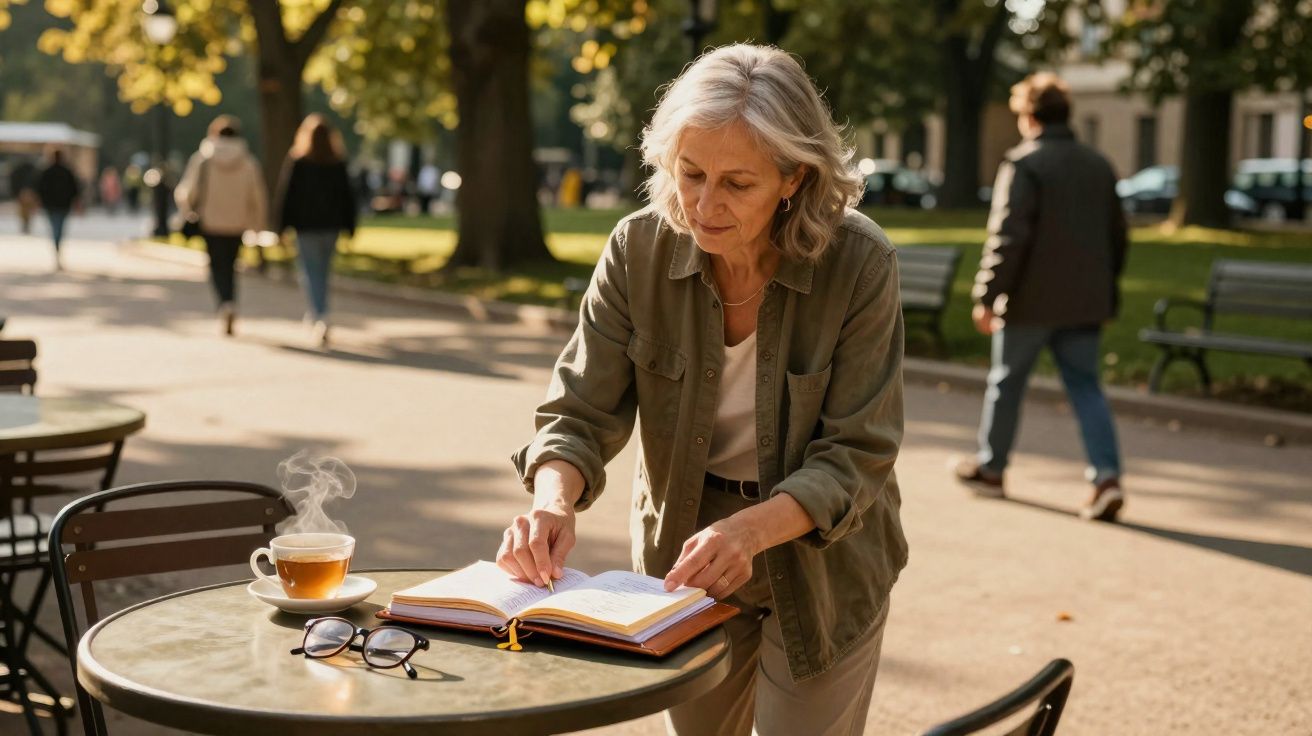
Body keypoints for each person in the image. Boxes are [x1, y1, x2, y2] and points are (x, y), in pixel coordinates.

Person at [498, 45, 906, 736]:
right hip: (685, 554)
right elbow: (578, 411)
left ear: (794, 178)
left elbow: (857, 453)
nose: (704, 206)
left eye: (737, 184)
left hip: (825, 563)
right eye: (690, 174)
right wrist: (552, 502)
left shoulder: (860, 263)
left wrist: (749, 531)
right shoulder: (638, 250)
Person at [953, 72, 1129, 522]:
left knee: (1006, 384)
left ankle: (992, 469)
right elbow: (1117, 237)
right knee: (1086, 387)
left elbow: (1008, 238)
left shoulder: (1024, 164)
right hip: (1085, 301)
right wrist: (1106, 290)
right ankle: (1107, 478)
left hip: (1029, 302)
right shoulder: (1098, 164)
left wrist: (988, 295)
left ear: (1030, 117)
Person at [175, 115, 267, 337]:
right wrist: (257, 226)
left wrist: (187, 211)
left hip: (210, 221)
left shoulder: (203, 159)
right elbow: (258, 197)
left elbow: (187, 191)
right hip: (237, 223)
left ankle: (224, 302)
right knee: (231, 265)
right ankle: (230, 301)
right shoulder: (248, 162)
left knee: (217, 266)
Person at [274, 114, 357, 347]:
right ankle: (320, 312)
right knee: (322, 271)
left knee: (310, 272)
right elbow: (348, 198)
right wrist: (350, 227)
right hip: (330, 226)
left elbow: (287, 196)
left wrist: (282, 226)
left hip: (306, 226)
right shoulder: (337, 163)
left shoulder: (299, 162)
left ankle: (319, 313)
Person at [35, 148, 80, 272]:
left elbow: (40, 188)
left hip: (51, 206)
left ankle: (57, 249)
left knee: (55, 228)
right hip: (62, 205)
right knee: (59, 228)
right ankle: (57, 249)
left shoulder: (47, 172)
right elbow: (74, 189)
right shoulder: (67, 172)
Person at [9, 158, 38, 234]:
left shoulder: (17, 172)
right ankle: (26, 224)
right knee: (27, 210)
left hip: (22, 193)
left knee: (24, 210)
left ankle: (25, 224)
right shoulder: (33, 172)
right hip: (29, 193)